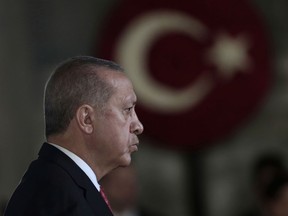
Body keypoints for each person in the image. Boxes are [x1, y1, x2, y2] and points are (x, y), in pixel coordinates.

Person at [4, 56, 144, 215]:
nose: (138, 126)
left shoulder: (60, 184)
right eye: (127, 110)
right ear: (87, 119)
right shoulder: (58, 198)